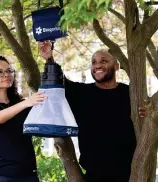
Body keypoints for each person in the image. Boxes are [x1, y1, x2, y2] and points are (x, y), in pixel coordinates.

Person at [38, 41, 146, 182]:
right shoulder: (81, 93)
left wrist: (146, 113)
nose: (97, 65)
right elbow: (58, 80)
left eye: (104, 61)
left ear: (116, 66)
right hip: (94, 176)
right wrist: (49, 58)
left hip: (131, 174)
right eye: (94, 62)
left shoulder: (131, 93)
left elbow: (148, 115)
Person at [0, 55, 47, 182]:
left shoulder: (22, 104)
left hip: (28, 174)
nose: (6, 74)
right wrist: (26, 103)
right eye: (0, 72)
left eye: (9, 70)